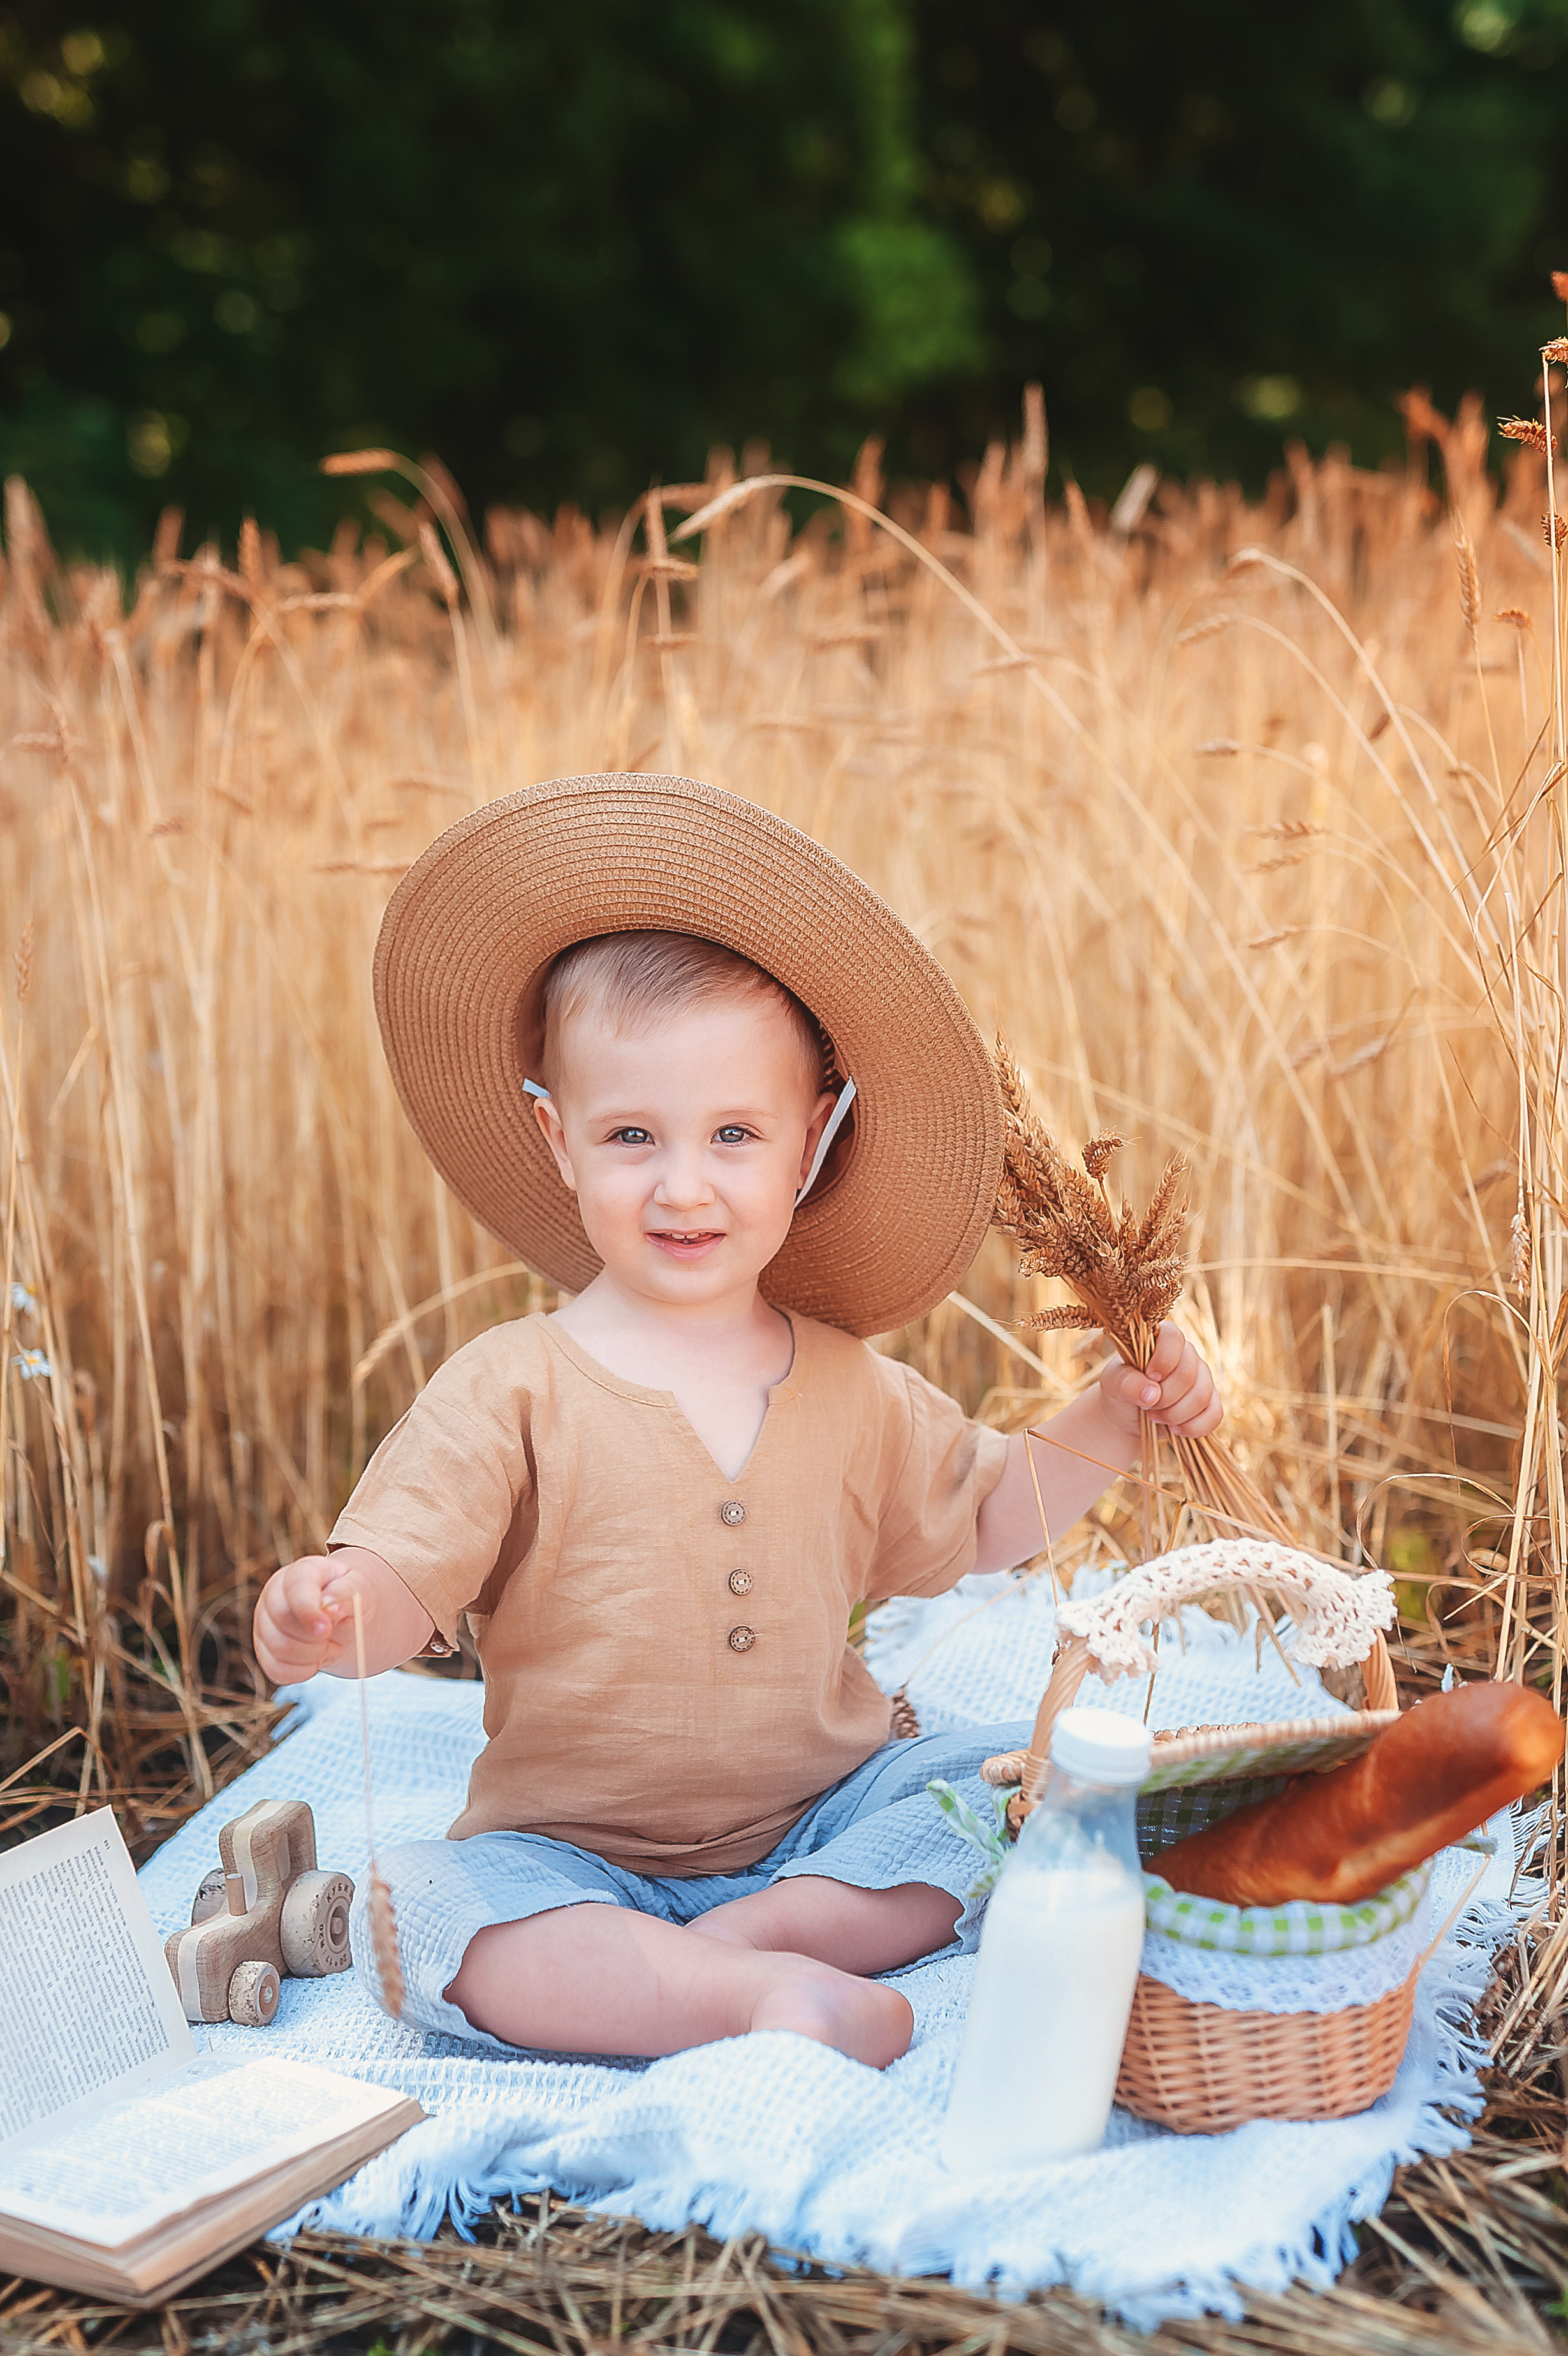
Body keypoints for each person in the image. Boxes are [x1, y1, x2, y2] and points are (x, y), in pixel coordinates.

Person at [253, 773, 1220, 2069]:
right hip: (572, 1855)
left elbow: (989, 1515)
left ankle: (724, 1961)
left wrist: (1113, 1412)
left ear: (811, 1140)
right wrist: (327, 1612)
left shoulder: (850, 1383)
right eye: (634, 1134)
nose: (685, 1184)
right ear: (557, 1138)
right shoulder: (513, 1385)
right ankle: (766, 1991)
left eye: (734, 1134)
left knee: (1020, 1783)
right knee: (435, 1907)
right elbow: (403, 1580)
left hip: (825, 1824)